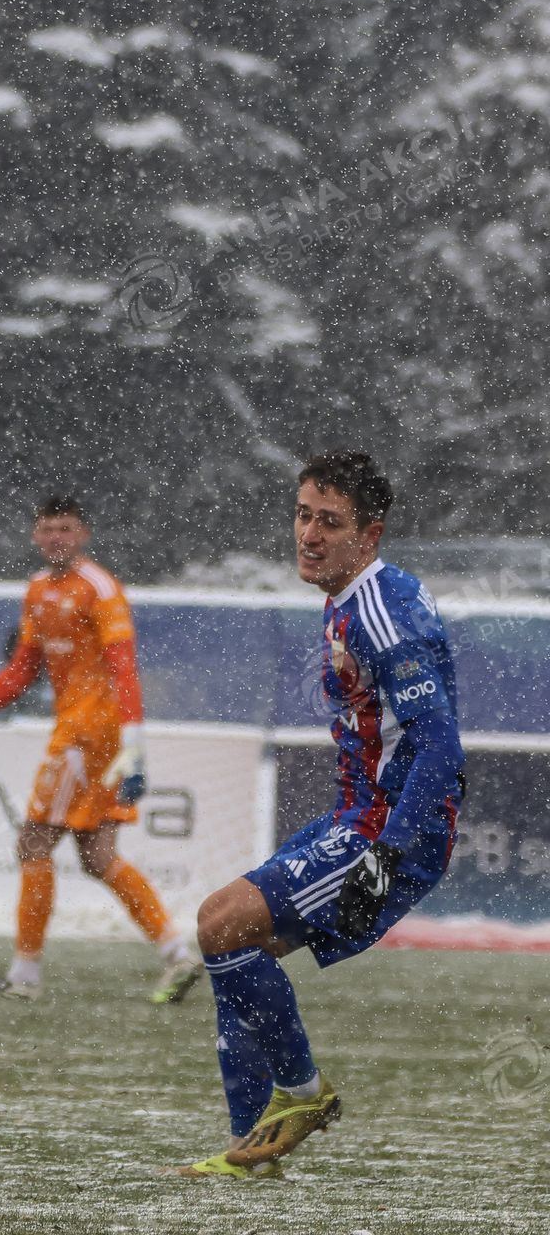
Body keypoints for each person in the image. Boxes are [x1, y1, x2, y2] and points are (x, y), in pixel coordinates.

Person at [175, 450, 462, 1180]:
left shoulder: (382, 611)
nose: (309, 534)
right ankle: (251, 1149)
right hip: (360, 816)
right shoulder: (352, 596)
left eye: (330, 523)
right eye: (304, 515)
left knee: (221, 925)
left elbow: (440, 745)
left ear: (369, 535)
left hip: (390, 829)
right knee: (235, 948)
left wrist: (389, 850)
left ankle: (303, 1096)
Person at [0, 497, 200, 1003]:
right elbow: (22, 668)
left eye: (66, 528)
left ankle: (24, 979)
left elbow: (124, 667)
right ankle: (177, 954)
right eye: (48, 529)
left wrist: (133, 743)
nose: (56, 537)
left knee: (33, 843)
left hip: (88, 737)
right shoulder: (38, 590)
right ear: (35, 536)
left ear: (83, 535)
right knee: (98, 856)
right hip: (84, 734)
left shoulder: (100, 588)